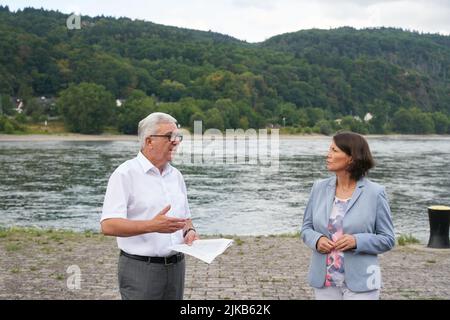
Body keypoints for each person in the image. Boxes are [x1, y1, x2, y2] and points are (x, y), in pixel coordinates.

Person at [100, 112, 199, 300]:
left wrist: (189, 231)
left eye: (178, 136)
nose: (176, 142)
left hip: (177, 267)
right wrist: (152, 226)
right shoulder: (125, 174)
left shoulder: (176, 176)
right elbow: (108, 225)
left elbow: (185, 218)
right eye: (169, 136)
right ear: (149, 141)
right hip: (141, 269)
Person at [301, 131, 395, 300]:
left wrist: (357, 241)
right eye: (329, 149)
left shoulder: (375, 193)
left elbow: (388, 239)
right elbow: (306, 229)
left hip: (363, 281)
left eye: (334, 151)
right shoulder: (318, 188)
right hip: (325, 280)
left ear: (351, 158)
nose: (327, 155)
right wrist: (317, 240)